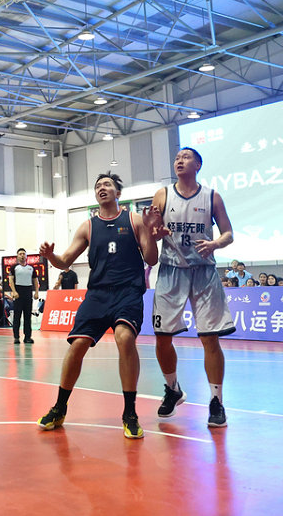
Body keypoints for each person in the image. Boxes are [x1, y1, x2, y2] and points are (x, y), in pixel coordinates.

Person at [37, 173, 163, 439]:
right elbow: (65, 261)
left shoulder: (134, 220)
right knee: (78, 344)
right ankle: (59, 408)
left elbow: (151, 258)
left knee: (124, 338)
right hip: (97, 295)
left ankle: (130, 413)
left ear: (118, 193)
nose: (101, 188)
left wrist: (151, 233)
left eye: (107, 185)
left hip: (128, 292)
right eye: (97, 186)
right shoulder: (88, 227)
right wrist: (50, 256)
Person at [152, 147, 235, 429]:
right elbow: (153, 233)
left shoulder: (212, 196)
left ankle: (216, 401)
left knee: (210, 338)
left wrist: (215, 243)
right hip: (171, 270)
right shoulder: (163, 194)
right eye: (177, 157)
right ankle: (172, 388)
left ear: (198, 164)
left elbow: (228, 233)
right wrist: (155, 231)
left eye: (185, 157)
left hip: (204, 271)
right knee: (162, 337)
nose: (179, 160)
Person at [10, 248, 37, 345]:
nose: (22, 255)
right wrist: (14, 291)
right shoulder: (14, 267)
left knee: (27, 316)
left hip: (28, 293)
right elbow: (11, 280)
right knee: (17, 316)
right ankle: (16, 337)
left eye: (24, 254)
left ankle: (28, 337)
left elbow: (35, 281)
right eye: (20, 254)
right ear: (17, 256)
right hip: (18, 293)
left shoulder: (31, 268)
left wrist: (36, 292)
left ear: (26, 256)